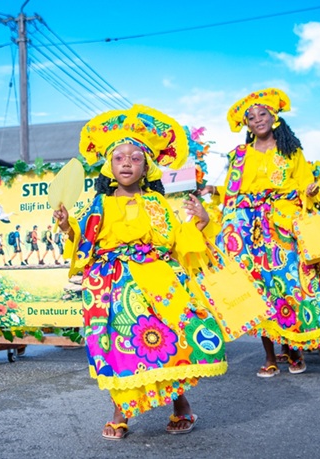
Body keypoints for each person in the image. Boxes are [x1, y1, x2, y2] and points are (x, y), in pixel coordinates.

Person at [53, 105, 227, 440]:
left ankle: (180, 405)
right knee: (116, 347)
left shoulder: (158, 204)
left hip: (155, 282)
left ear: (147, 166)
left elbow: (178, 242)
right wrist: (68, 227)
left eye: (135, 157)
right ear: (109, 165)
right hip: (109, 288)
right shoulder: (99, 205)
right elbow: (84, 244)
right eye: (119, 157)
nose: (127, 163)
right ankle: (120, 411)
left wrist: (201, 221)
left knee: (168, 343)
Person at [205, 88, 320, 376]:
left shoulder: (291, 151)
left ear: (274, 117)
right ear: (246, 125)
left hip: (282, 228)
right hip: (248, 231)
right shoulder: (240, 155)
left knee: (287, 287)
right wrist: (213, 191)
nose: (258, 119)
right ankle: (269, 356)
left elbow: (305, 184)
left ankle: (294, 349)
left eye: (263, 114)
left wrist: (309, 191)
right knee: (258, 289)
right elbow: (233, 193)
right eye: (251, 117)